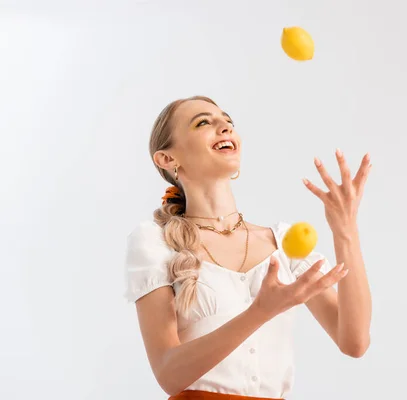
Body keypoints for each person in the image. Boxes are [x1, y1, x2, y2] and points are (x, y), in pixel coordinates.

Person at [124, 96, 372, 400]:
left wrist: (345, 229)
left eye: (228, 121)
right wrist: (260, 312)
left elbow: (354, 342)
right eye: (203, 122)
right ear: (167, 159)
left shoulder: (282, 246)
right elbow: (168, 374)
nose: (224, 127)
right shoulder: (154, 242)